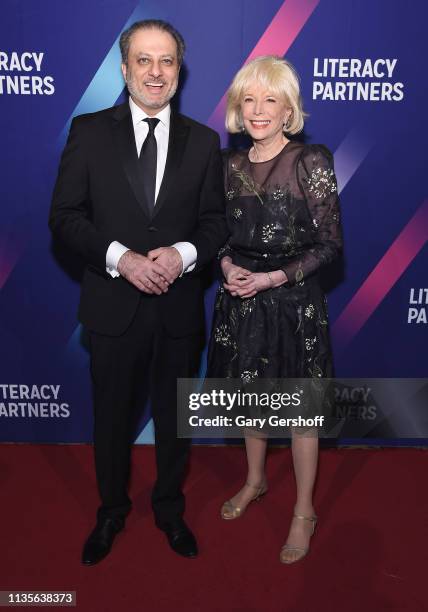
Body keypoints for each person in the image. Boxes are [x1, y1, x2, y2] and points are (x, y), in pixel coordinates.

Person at [49, 19, 227, 564]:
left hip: (177, 311)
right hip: (112, 307)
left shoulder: (204, 141)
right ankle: (111, 513)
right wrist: (120, 259)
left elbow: (216, 223)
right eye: (144, 60)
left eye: (167, 60)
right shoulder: (88, 131)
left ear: (180, 70)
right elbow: (65, 217)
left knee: (174, 421)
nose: (156, 72)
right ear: (124, 69)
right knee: (111, 420)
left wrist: (183, 255)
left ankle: (170, 510)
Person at [206, 55, 343, 564]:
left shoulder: (312, 161)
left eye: (271, 99)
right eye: (250, 99)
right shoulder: (226, 166)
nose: (259, 110)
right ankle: (256, 480)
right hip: (241, 300)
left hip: (293, 304)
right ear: (239, 109)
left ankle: (304, 510)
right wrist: (224, 266)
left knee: (302, 413)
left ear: (289, 110)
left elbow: (331, 244)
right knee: (251, 401)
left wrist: (274, 277)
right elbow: (215, 233)